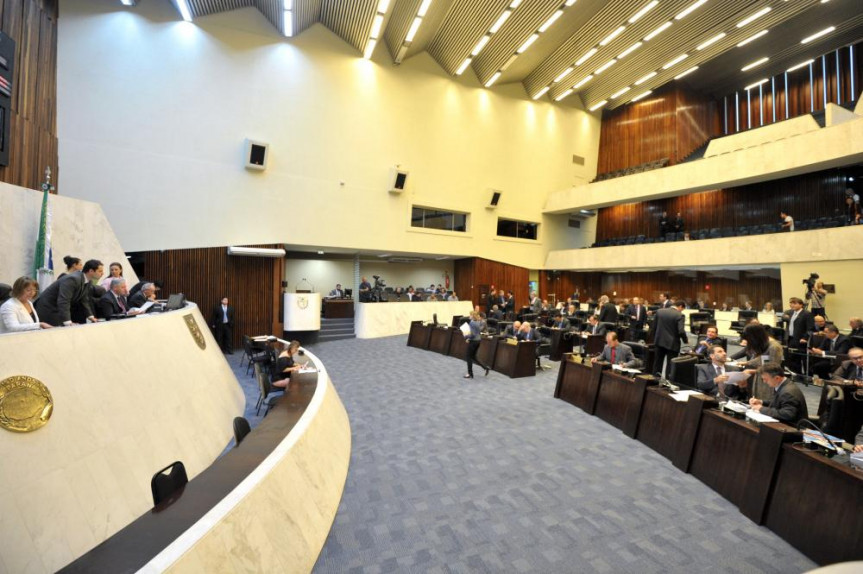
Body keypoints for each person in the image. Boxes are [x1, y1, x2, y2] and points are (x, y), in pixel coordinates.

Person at [33, 259, 103, 326]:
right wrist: (67, 322)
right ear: (91, 271)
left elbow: (84, 300)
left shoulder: (88, 281)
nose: (102, 273)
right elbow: (64, 300)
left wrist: (90, 316)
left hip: (57, 309)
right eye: (100, 271)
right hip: (48, 309)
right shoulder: (73, 279)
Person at [736, 324, 783, 400]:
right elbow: (762, 358)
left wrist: (752, 371)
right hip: (760, 379)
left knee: (764, 401)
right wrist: (747, 363)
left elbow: (773, 369)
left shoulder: (774, 347)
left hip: (769, 382)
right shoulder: (765, 344)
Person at [653, 300, 688, 378]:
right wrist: (685, 341)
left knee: (657, 363)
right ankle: (667, 383)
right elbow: (681, 331)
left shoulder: (659, 311)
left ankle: (654, 381)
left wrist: (655, 339)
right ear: (680, 306)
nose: (681, 311)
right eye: (682, 309)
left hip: (659, 341)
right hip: (672, 344)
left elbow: (654, 327)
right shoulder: (680, 315)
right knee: (670, 365)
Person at [463, 311, 490, 379]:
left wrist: (468, 338)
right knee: (474, 357)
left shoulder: (472, 323)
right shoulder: (478, 321)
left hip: (473, 341)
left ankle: (470, 373)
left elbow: (472, 334)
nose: (469, 316)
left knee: (468, 357)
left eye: (470, 315)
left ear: (473, 316)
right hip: (478, 341)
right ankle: (485, 368)